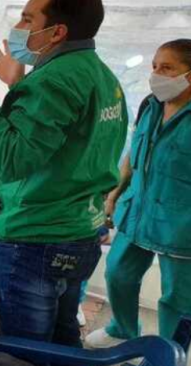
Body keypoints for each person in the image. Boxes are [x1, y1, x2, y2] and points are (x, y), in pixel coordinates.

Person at [0, 0, 128, 346]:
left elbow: (12, 159)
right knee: (61, 341)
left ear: (56, 31)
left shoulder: (55, 79)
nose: (18, 29)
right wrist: (18, 86)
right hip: (77, 231)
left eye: (27, 19)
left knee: (26, 350)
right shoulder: (101, 76)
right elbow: (60, 145)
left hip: (36, 239)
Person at [86, 39, 191, 348]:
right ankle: (122, 331)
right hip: (138, 211)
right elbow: (134, 154)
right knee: (118, 274)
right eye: (155, 66)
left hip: (181, 224)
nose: (157, 74)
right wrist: (113, 195)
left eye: (168, 68)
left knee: (178, 298)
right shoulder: (151, 105)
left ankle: (168, 351)